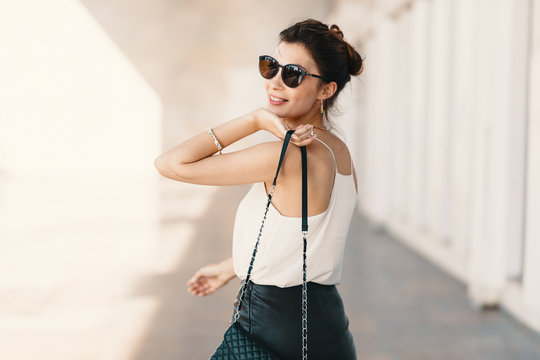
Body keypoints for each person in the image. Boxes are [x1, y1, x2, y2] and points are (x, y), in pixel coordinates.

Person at [154, 18, 364, 360]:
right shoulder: (339, 151)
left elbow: (171, 164)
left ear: (326, 90)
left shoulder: (284, 157)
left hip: (272, 332)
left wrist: (254, 120)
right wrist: (230, 267)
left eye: (293, 73)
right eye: (271, 66)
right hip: (329, 331)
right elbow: (306, 241)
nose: (276, 82)